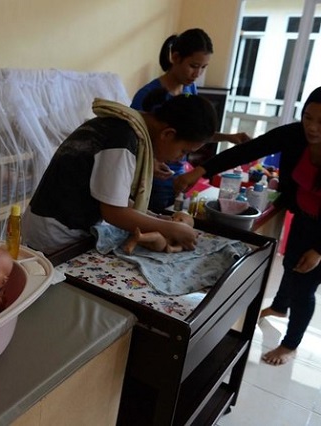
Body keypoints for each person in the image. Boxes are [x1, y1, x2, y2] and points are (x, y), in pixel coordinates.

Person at [174, 87, 321, 366]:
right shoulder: (295, 135)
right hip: (303, 217)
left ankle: (290, 344)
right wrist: (201, 170)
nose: (312, 127)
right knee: (291, 265)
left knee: (305, 286)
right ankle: (279, 307)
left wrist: (319, 249)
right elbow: (250, 150)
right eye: (308, 117)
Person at [22, 93, 218, 256]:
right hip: (55, 234)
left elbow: (115, 198)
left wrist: (158, 220)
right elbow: (114, 212)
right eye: (183, 151)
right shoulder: (122, 139)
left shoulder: (126, 128)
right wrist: (170, 228)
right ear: (167, 134)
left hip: (58, 224)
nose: (179, 159)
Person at [131, 28, 250, 212]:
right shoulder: (148, 95)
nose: (197, 74)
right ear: (176, 57)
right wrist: (151, 161)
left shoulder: (190, 90)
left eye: (203, 67)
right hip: (152, 181)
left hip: (179, 177)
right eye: (194, 66)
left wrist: (228, 137)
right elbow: (132, 138)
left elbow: (194, 134)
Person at [122, 211, 194, 254]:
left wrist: (172, 249)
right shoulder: (166, 224)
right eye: (173, 217)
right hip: (149, 240)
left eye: (180, 220)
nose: (174, 219)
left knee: (157, 235)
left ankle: (140, 237)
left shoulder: (182, 236)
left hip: (160, 245)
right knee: (140, 234)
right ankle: (131, 246)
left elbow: (180, 247)